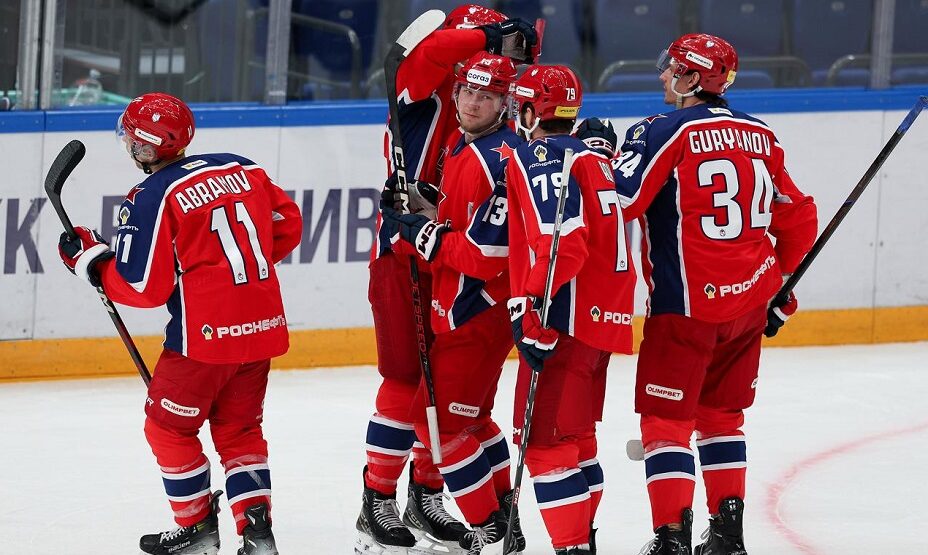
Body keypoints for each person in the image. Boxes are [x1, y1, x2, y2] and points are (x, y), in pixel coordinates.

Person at [579, 34, 818, 554]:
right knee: (722, 419)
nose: (663, 75)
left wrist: (587, 157)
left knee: (666, 424)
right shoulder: (761, 134)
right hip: (749, 303)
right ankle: (728, 536)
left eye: (672, 68)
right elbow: (798, 215)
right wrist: (781, 288)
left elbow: (620, 202)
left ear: (691, 78)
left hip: (684, 309)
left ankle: (672, 538)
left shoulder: (661, 130)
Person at [57, 92, 302, 555]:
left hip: (202, 341)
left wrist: (90, 261)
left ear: (144, 146)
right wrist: (226, 274)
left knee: (167, 429)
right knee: (240, 431)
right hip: (262, 328)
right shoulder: (242, 167)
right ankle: (257, 533)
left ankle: (197, 529)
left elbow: (142, 287)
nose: (128, 144)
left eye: (131, 138)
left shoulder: (152, 195)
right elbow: (287, 225)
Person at [358, 5, 537, 554]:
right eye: (480, 50)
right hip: (403, 255)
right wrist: (489, 35)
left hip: (447, 257)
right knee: (407, 383)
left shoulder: (480, 111)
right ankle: (377, 500)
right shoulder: (421, 87)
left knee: (445, 395)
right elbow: (431, 51)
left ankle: (426, 494)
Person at [506, 65, 636, 555]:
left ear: (528, 111)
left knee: (544, 445)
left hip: (564, 319)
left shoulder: (540, 156)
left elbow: (564, 243)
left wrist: (532, 309)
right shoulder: (593, 157)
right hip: (603, 319)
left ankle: (573, 546)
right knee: (577, 442)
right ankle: (583, 541)